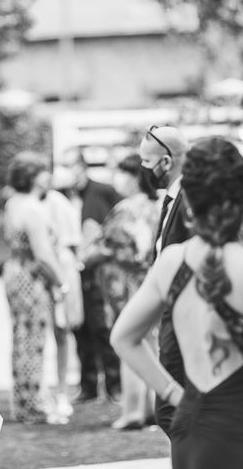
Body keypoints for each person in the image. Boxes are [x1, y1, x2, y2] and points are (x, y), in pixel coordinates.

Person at [111, 137, 243, 469]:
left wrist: (174, 394)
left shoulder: (171, 262)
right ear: (241, 200)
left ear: (189, 202)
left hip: (191, 430)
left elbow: (123, 338)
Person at [83, 153, 160, 430]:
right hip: (151, 281)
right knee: (151, 345)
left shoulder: (126, 208)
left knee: (128, 343)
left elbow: (114, 248)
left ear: (134, 176)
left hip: (127, 285)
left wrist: (91, 251)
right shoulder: (158, 203)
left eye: (121, 173)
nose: (117, 179)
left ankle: (133, 411)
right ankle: (152, 409)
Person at [2, 152, 69, 424]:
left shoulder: (12, 203)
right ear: (32, 176)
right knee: (34, 340)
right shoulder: (33, 208)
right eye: (43, 171)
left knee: (21, 338)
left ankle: (23, 402)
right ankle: (35, 406)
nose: (48, 176)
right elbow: (43, 255)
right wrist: (61, 281)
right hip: (31, 277)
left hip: (14, 272)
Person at [138, 125, 191, 433]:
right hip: (171, 316)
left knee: (171, 412)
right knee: (170, 411)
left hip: (184, 318)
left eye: (147, 161)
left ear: (166, 162)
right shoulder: (172, 197)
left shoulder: (187, 199)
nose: (144, 168)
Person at [64, 148, 122, 403]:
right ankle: (88, 385)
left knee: (102, 327)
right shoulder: (62, 196)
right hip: (75, 271)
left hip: (98, 270)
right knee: (81, 328)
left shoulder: (102, 190)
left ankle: (114, 385)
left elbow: (118, 221)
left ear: (81, 167)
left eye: (70, 166)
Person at [43, 183, 84, 420]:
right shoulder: (37, 203)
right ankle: (57, 393)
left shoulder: (57, 202)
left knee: (62, 331)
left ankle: (61, 392)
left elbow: (71, 242)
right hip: (50, 269)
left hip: (60, 268)